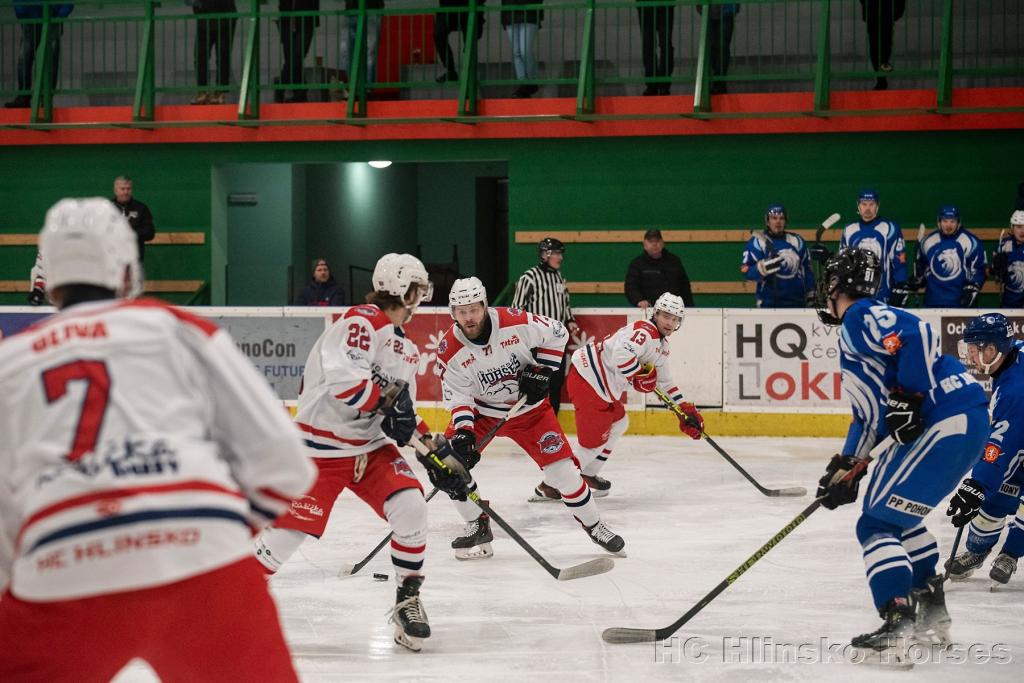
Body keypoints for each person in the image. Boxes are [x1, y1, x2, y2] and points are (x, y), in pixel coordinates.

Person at [0, 197, 315, 681]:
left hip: (65, 565)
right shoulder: (178, 328)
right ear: (128, 271)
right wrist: (211, 531)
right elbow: (283, 461)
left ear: (47, 279)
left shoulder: (11, 361)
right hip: (203, 556)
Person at [254, 253, 446, 652]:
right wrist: (390, 408)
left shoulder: (405, 349)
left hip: (368, 447)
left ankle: (407, 599)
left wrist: (433, 449)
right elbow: (347, 383)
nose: (420, 299)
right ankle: (225, 601)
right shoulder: (361, 320)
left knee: (411, 506)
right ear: (404, 290)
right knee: (285, 539)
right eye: (417, 290)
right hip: (320, 448)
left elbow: (401, 414)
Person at [813, 247, 988, 664]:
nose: (827, 291)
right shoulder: (856, 332)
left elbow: (920, 334)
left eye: (830, 284)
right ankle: (931, 611)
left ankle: (898, 623)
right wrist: (847, 467)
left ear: (840, 285)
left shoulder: (858, 315)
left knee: (876, 523)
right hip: (962, 420)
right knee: (900, 519)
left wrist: (909, 395)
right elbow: (870, 417)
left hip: (945, 418)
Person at [434, 276, 626, 559]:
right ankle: (477, 524)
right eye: (462, 312)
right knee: (446, 467)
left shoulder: (514, 321)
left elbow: (558, 332)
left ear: (485, 306)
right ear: (453, 313)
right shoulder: (448, 350)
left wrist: (544, 370)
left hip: (530, 411)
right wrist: (463, 433)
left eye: (474, 309)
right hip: (483, 413)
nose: (469, 317)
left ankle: (595, 525)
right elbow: (459, 396)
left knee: (564, 474)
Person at [547, 292, 701, 500]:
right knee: (592, 444)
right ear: (655, 314)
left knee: (619, 422)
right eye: (666, 316)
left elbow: (664, 383)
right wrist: (637, 375)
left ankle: (587, 473)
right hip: (589, 380)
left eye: (675, 319)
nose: (670, 322)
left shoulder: (662, 347)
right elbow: (622, 354)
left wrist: (684, 410)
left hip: (600, 385)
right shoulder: (646, 332)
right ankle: (550, 485)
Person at [946, 313, 1023, 587]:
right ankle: (977, 551)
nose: (970, 357)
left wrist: (976, 485)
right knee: (996, 497)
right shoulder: (1014, 356)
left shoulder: (1014, 390)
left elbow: (1000, 445)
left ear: (992, 349)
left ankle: (1010, 554)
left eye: (974, 350)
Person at [511, 237, 579, 414]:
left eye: (560, 253)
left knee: (556, 383)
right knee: (536, 384)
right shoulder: (529, 277)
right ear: (545, 254)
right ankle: (530, 422)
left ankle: (552, 423)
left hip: (557, 341)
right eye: (556, 253)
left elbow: (565, 303)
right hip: (537, 342)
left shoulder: (559, 277)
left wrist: (570, 320)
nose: (560, 257)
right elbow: (516, 309)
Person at [837, 189, 908, 306]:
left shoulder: (890, 228)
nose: (868, 208)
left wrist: (900, 285)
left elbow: (899, 262)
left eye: (871, 204)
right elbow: (843, 262)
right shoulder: (849, 229)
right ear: (858, 206)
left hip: (883, 295)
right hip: (855, 296)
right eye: (864, 204)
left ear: (877, 205)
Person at [740, 204, 816, 308]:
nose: (778, 221)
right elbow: (745, 270)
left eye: (781, 218)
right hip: (769, 304)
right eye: (774, 218)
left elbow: (807, 270)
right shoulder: (758, 241)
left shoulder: (797, 241)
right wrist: (761, 268)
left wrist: (811, 294)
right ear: (767, 221)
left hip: (798, 303)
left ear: (786, 221)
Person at [910, 205, 985, 308]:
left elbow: (978, 270)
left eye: (952, 221)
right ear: (939, 222)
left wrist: (973, 288)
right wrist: (918, 279)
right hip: (932, 302)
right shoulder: (928, 241)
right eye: (945, 221)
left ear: (958, 222)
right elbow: (923, 270)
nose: (948, 225)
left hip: (960, 303)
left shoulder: (971, 242)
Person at [5, 1, 74, 109]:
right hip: (42, 17)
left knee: (38, 58)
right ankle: (35, 97)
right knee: (28, 57)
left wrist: (62, 13)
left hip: (49, 18)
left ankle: (39, 97)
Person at [624, 228, 695, 310]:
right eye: (651, 241)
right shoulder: (637, 264)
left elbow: (685, 287)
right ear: (645, 245)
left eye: (657, 241)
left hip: (673, 311)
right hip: (648, 311)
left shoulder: (674, 261)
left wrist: (690, 308)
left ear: (662, 243)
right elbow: (631, 287)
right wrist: (639, 300)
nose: (654, 244)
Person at [191, 0, 238, 105]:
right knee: (200, 56)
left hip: (225, 19)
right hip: (204, 20)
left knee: (223, 57)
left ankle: (219, 92)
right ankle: (202, 92)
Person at [277, 0, 319, 103]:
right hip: (287, 19)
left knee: (296, 55)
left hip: (306, 19)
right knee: (292, 57)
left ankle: (281, 84)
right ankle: (300, 92)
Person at [858, 0, 906, 90]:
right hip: (877, 9)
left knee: (881, 42)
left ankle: (881, 77)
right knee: (877, 44)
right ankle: (881, 76)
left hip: (883, 9)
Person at [434, 0, 485, 84]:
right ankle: (451, 71)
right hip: (448, 9)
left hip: (469, 8)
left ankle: (469, 75)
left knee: (469, 43)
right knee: (438, 34)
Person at [695, 3, 739, 95]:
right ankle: (718, 82)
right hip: (715, 11)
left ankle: (718, 81)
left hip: (718, 11)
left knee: (720, 47)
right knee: (717, 48)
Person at [501, 0, 542, 98]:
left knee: (524, 51)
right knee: (517, 52)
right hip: (511, 13)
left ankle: (530, 81)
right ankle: (524, 83)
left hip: (527, 12)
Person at [111, 175, 156, 262]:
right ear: (115, 190)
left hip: (134, 260)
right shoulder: (107, 208)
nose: (126, 192)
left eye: (128, 189)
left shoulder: (141, 208)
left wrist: (130, 234)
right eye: (122, 189)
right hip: (112, 259)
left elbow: (150, 233)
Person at [341, 0, 384, 90]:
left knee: (369, 52)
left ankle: (366, 89)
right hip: (351, 11)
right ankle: (354, 87)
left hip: (372, 10)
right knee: (346, 52)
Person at [636, 0, 673, 95]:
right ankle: (658, 84)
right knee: (651, 45)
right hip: (653, 6)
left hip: (656, 6)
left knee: (661, 45)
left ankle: (657, 84)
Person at [991, 210, 1024, 308]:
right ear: (1012, 228)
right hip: (1009, 303)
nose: (1023, 231)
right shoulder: (1004, 245)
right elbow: (995, 276)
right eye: (1019, 227)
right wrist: (996, 269)